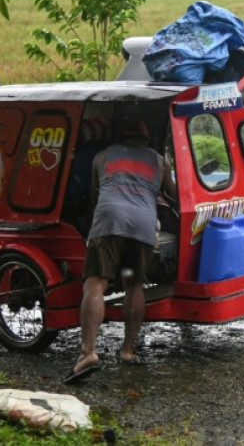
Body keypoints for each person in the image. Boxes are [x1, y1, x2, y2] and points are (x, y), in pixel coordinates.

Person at [66, 110, 176, 384]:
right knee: (133, 283)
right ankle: (127, 349)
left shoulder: (102, 156)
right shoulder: (159, 161)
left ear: (118, 136)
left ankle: (88, 352)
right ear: (146, 138)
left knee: (95, 284)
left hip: (109, 221)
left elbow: (94, 195)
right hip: (142, 226)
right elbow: (173, 195)